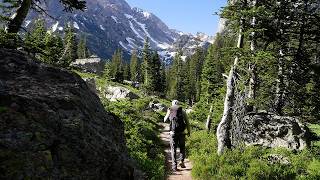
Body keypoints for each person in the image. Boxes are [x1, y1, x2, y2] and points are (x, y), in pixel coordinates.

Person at [164, 100, 191, 171]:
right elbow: (187, 123)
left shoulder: (170, 110)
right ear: (178, 105)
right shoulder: (183, 111)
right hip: (182, 133)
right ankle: (182, 161)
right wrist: (188, 132)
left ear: (172, 104)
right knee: (182, 147)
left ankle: (174, 166)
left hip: (173, 133)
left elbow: (164, 120)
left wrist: (169, 115)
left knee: (173, 149)